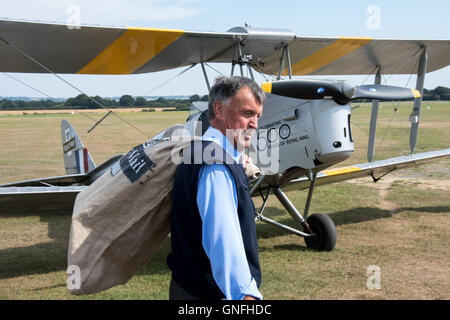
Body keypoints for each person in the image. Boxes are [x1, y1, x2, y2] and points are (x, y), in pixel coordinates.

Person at [166, 76, 265, 300]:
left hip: (189, 287)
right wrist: (245, 295)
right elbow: (223, 241)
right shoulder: (216, 166)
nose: (255, 124)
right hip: (209, 294)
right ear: (219, 110)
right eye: (248, 113)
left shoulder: (205, 152)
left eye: (257, 116)